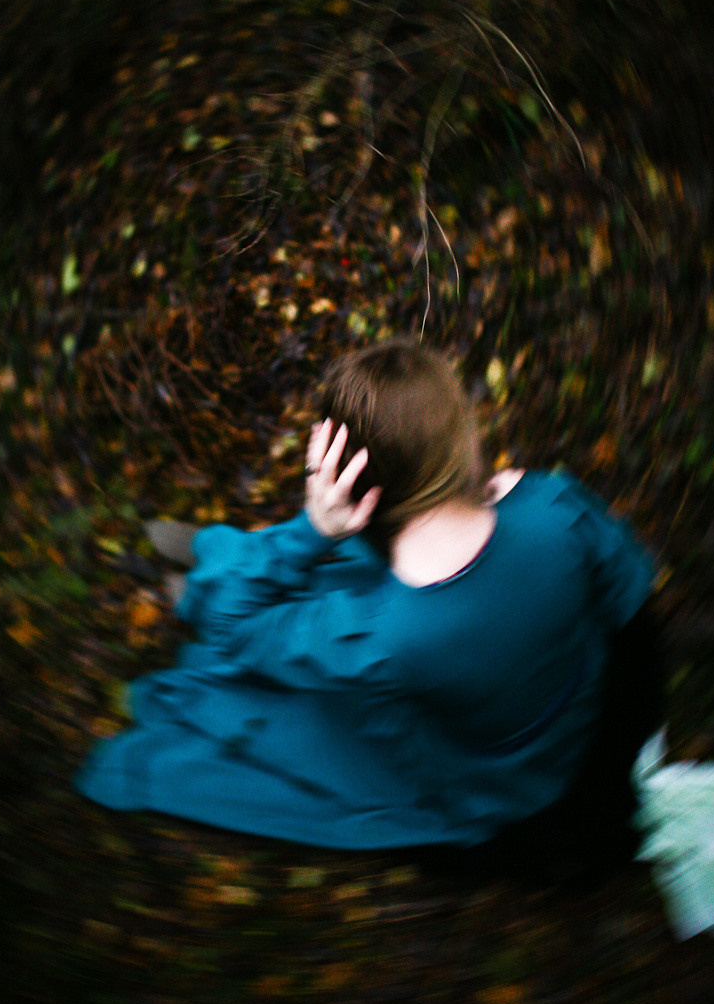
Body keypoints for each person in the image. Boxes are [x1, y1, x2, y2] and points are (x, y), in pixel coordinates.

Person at [75, 339, 661, 874]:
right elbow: (628, 589)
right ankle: (215, 560)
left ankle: (215, 569)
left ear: (353, 487)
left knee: (259, 621)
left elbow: (233, 628)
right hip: (571, 700)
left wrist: (315, 529)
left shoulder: (379, 636)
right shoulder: (554, 505)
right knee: (332, 583)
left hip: (493, 777)